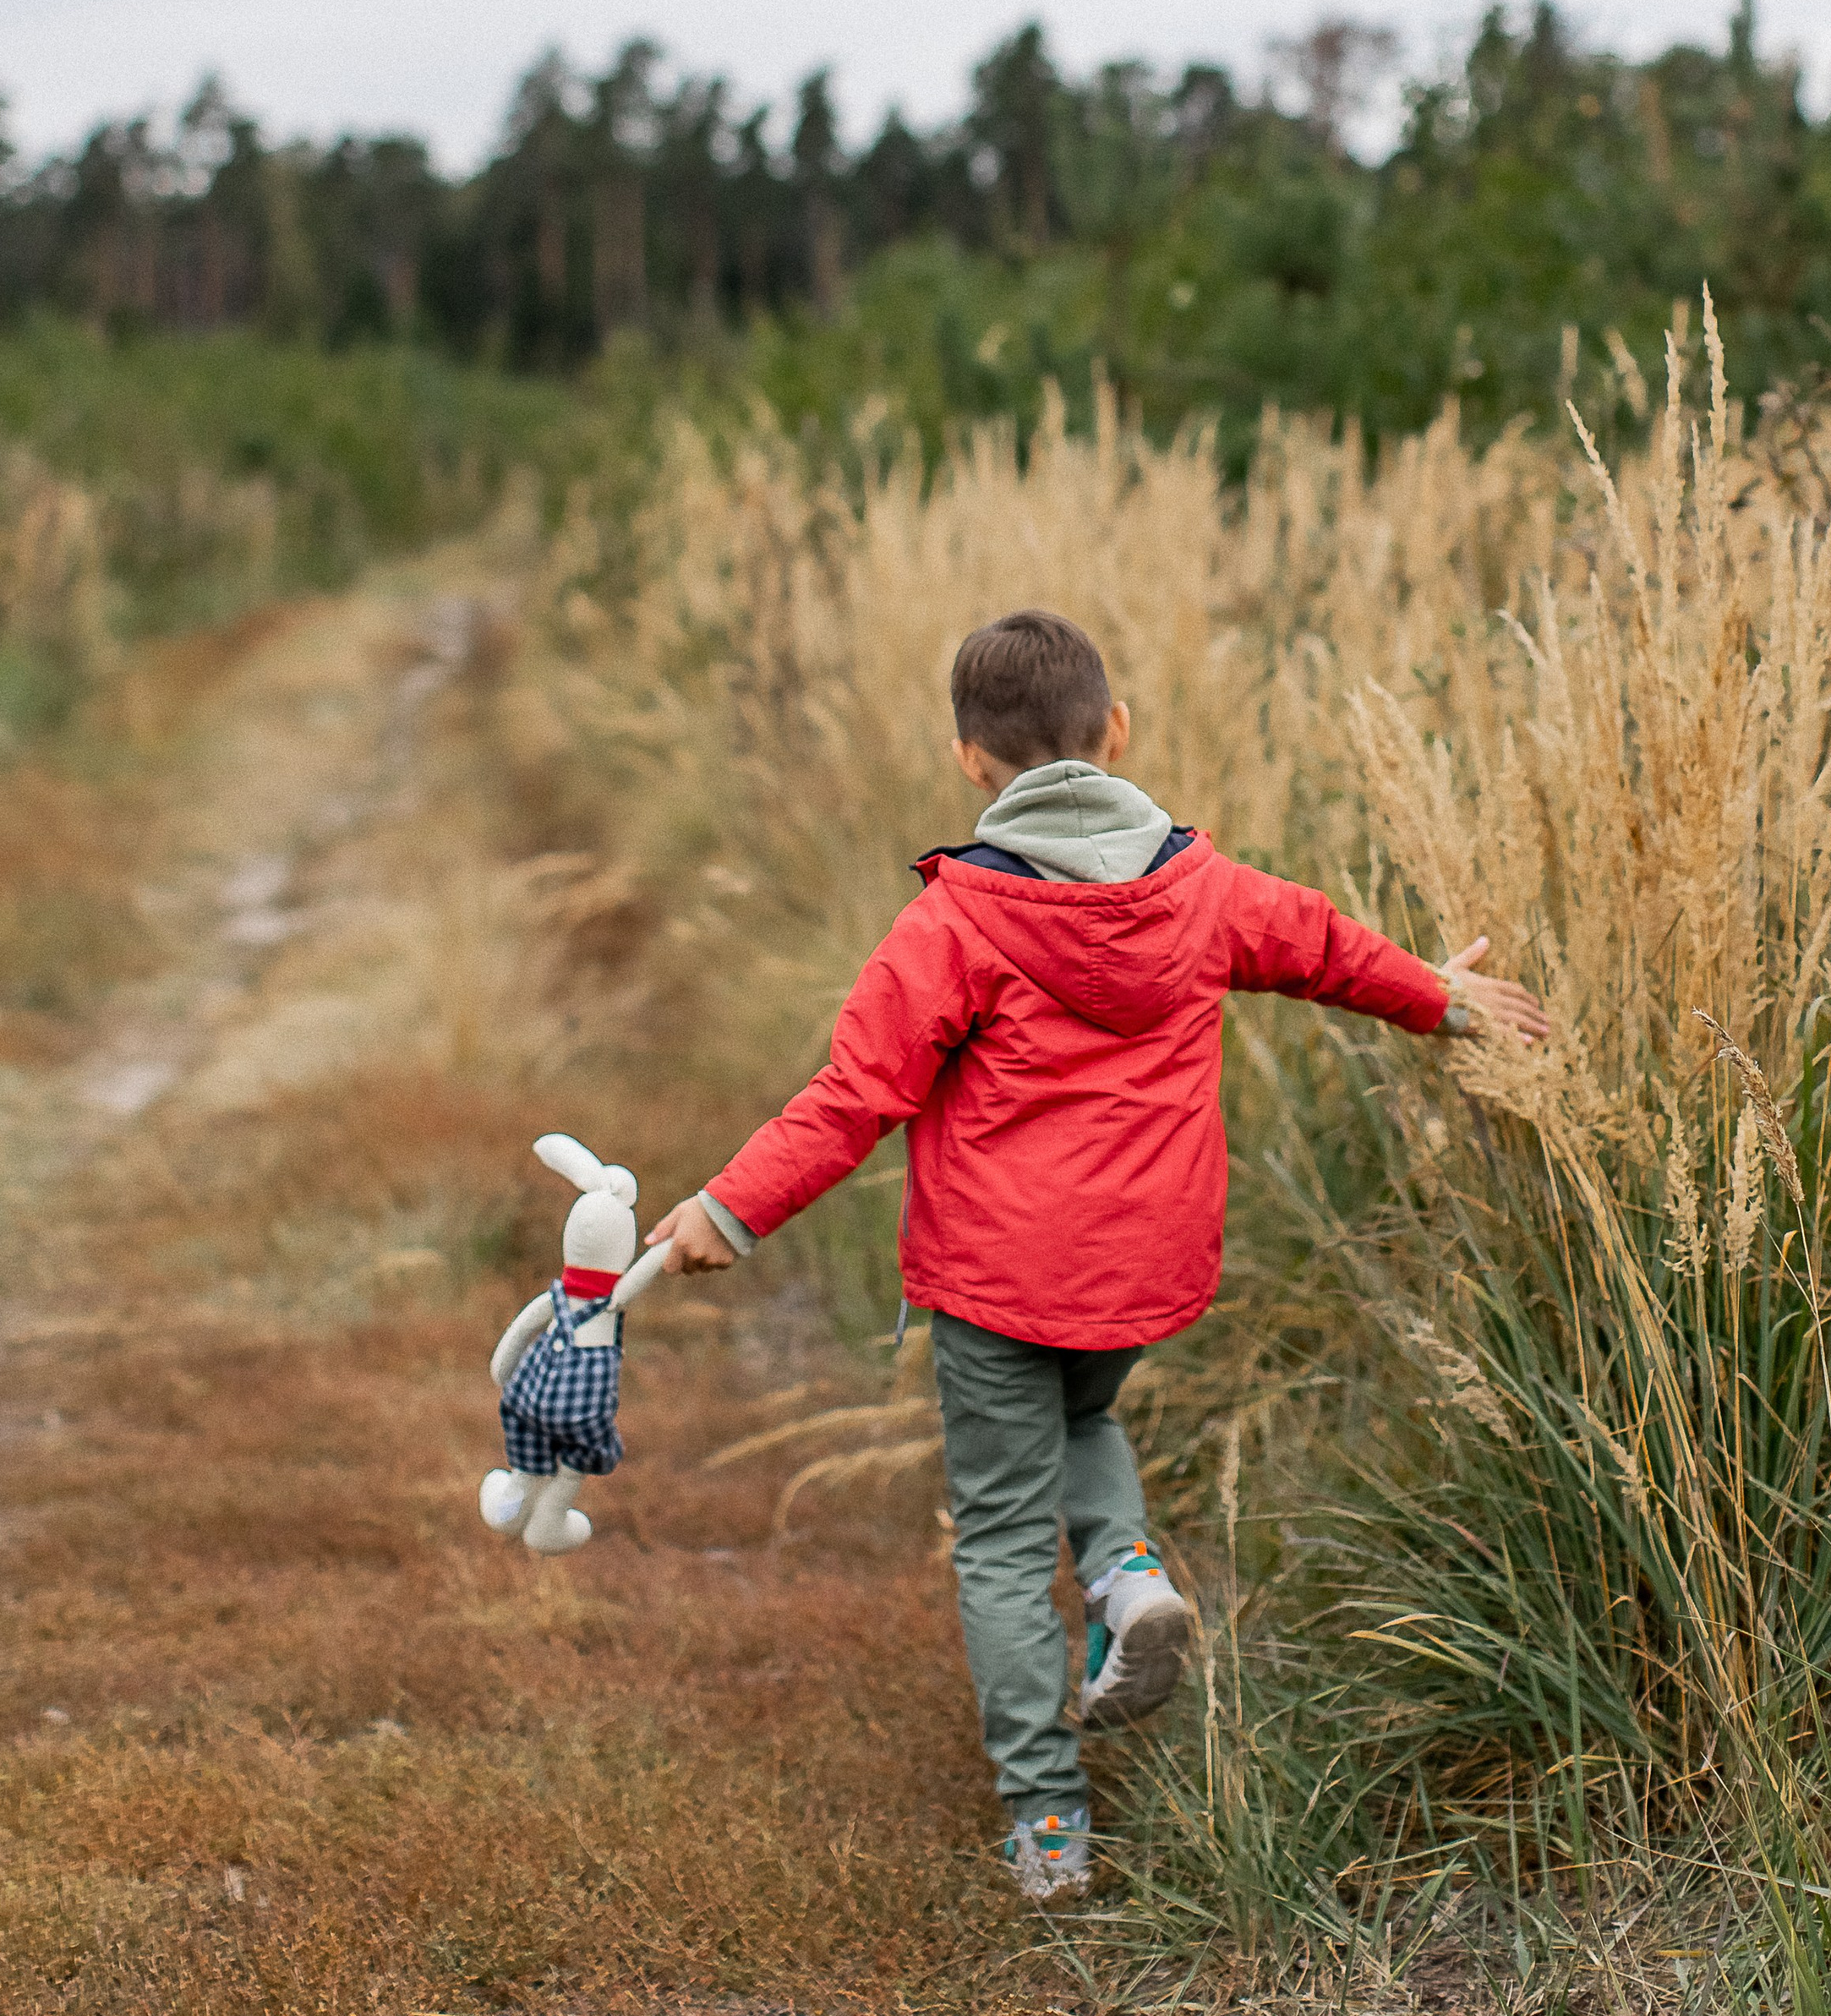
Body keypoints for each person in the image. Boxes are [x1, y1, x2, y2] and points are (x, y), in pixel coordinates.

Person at [648, 606, 1548, 1900]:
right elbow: (1325, 945)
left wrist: (727, 1212)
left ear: (970, 762)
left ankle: (1048, 1821)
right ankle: (1128, 1580)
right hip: (1141, 1271)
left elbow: (853, 1098)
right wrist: (1442, 997)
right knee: (1086, 1419)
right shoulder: (1204, 890)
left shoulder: (953, 928)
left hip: (999, 1279)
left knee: (1007, 1542)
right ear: (1116, 731)